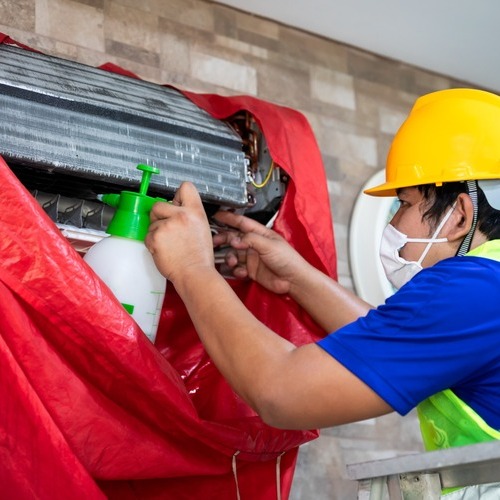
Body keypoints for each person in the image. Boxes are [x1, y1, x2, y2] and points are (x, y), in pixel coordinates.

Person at [145, 88, 500, 497]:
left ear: (459, 215)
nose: (395, 222)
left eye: (403, 204)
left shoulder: (475, 289)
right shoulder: (485, 294)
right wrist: (296, 278)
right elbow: (399, 343)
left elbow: (282, 392)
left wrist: (191, 268)